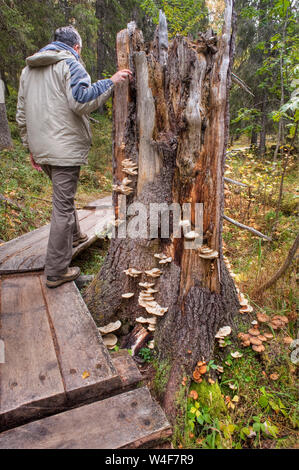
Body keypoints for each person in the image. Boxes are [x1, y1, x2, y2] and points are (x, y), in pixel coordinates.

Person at [16, 26, 132, 288]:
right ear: (76, 47)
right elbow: (81, 101)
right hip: (65, 149)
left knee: (63, 200)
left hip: (42, 148)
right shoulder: (71, 64)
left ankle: (77, 236)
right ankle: (56, 270)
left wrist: (31, 148)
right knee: (62, 206)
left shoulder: (28, 71)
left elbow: (21, 115)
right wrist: (110, 82)